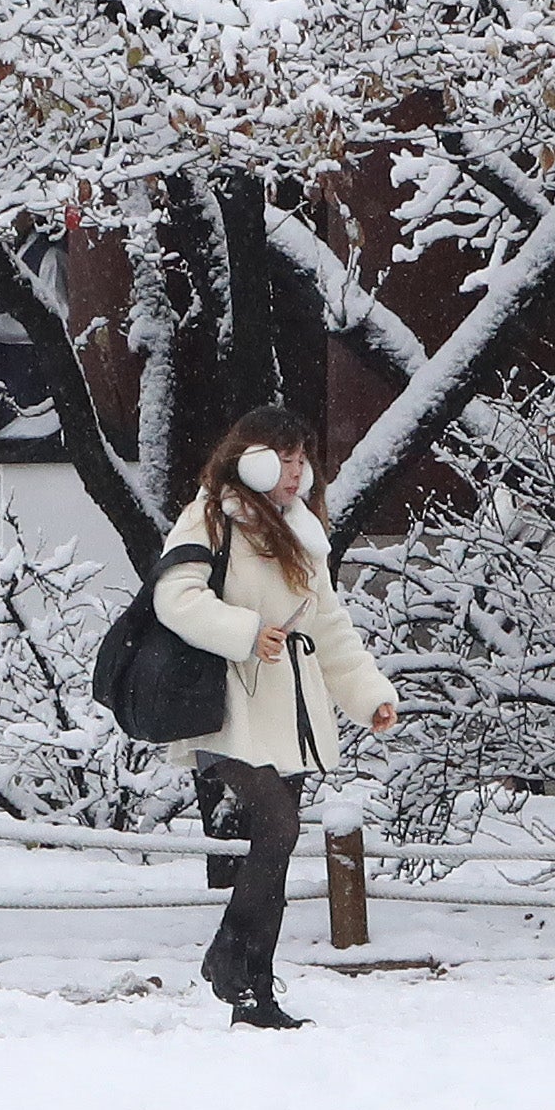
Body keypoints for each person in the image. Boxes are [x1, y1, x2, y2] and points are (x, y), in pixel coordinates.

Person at [145, 408, 397, 1030]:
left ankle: (254, 988)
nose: (295, 475)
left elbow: (329, 625)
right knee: (278, 826)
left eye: (300, 461)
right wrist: (246, 631)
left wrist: (368, 697)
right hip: (224, 710)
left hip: (289, 712)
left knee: (275, 845)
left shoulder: (302, 532)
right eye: (283, 461)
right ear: (251, 459)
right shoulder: (211, 515)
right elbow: (174, 596)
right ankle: (233, 962)